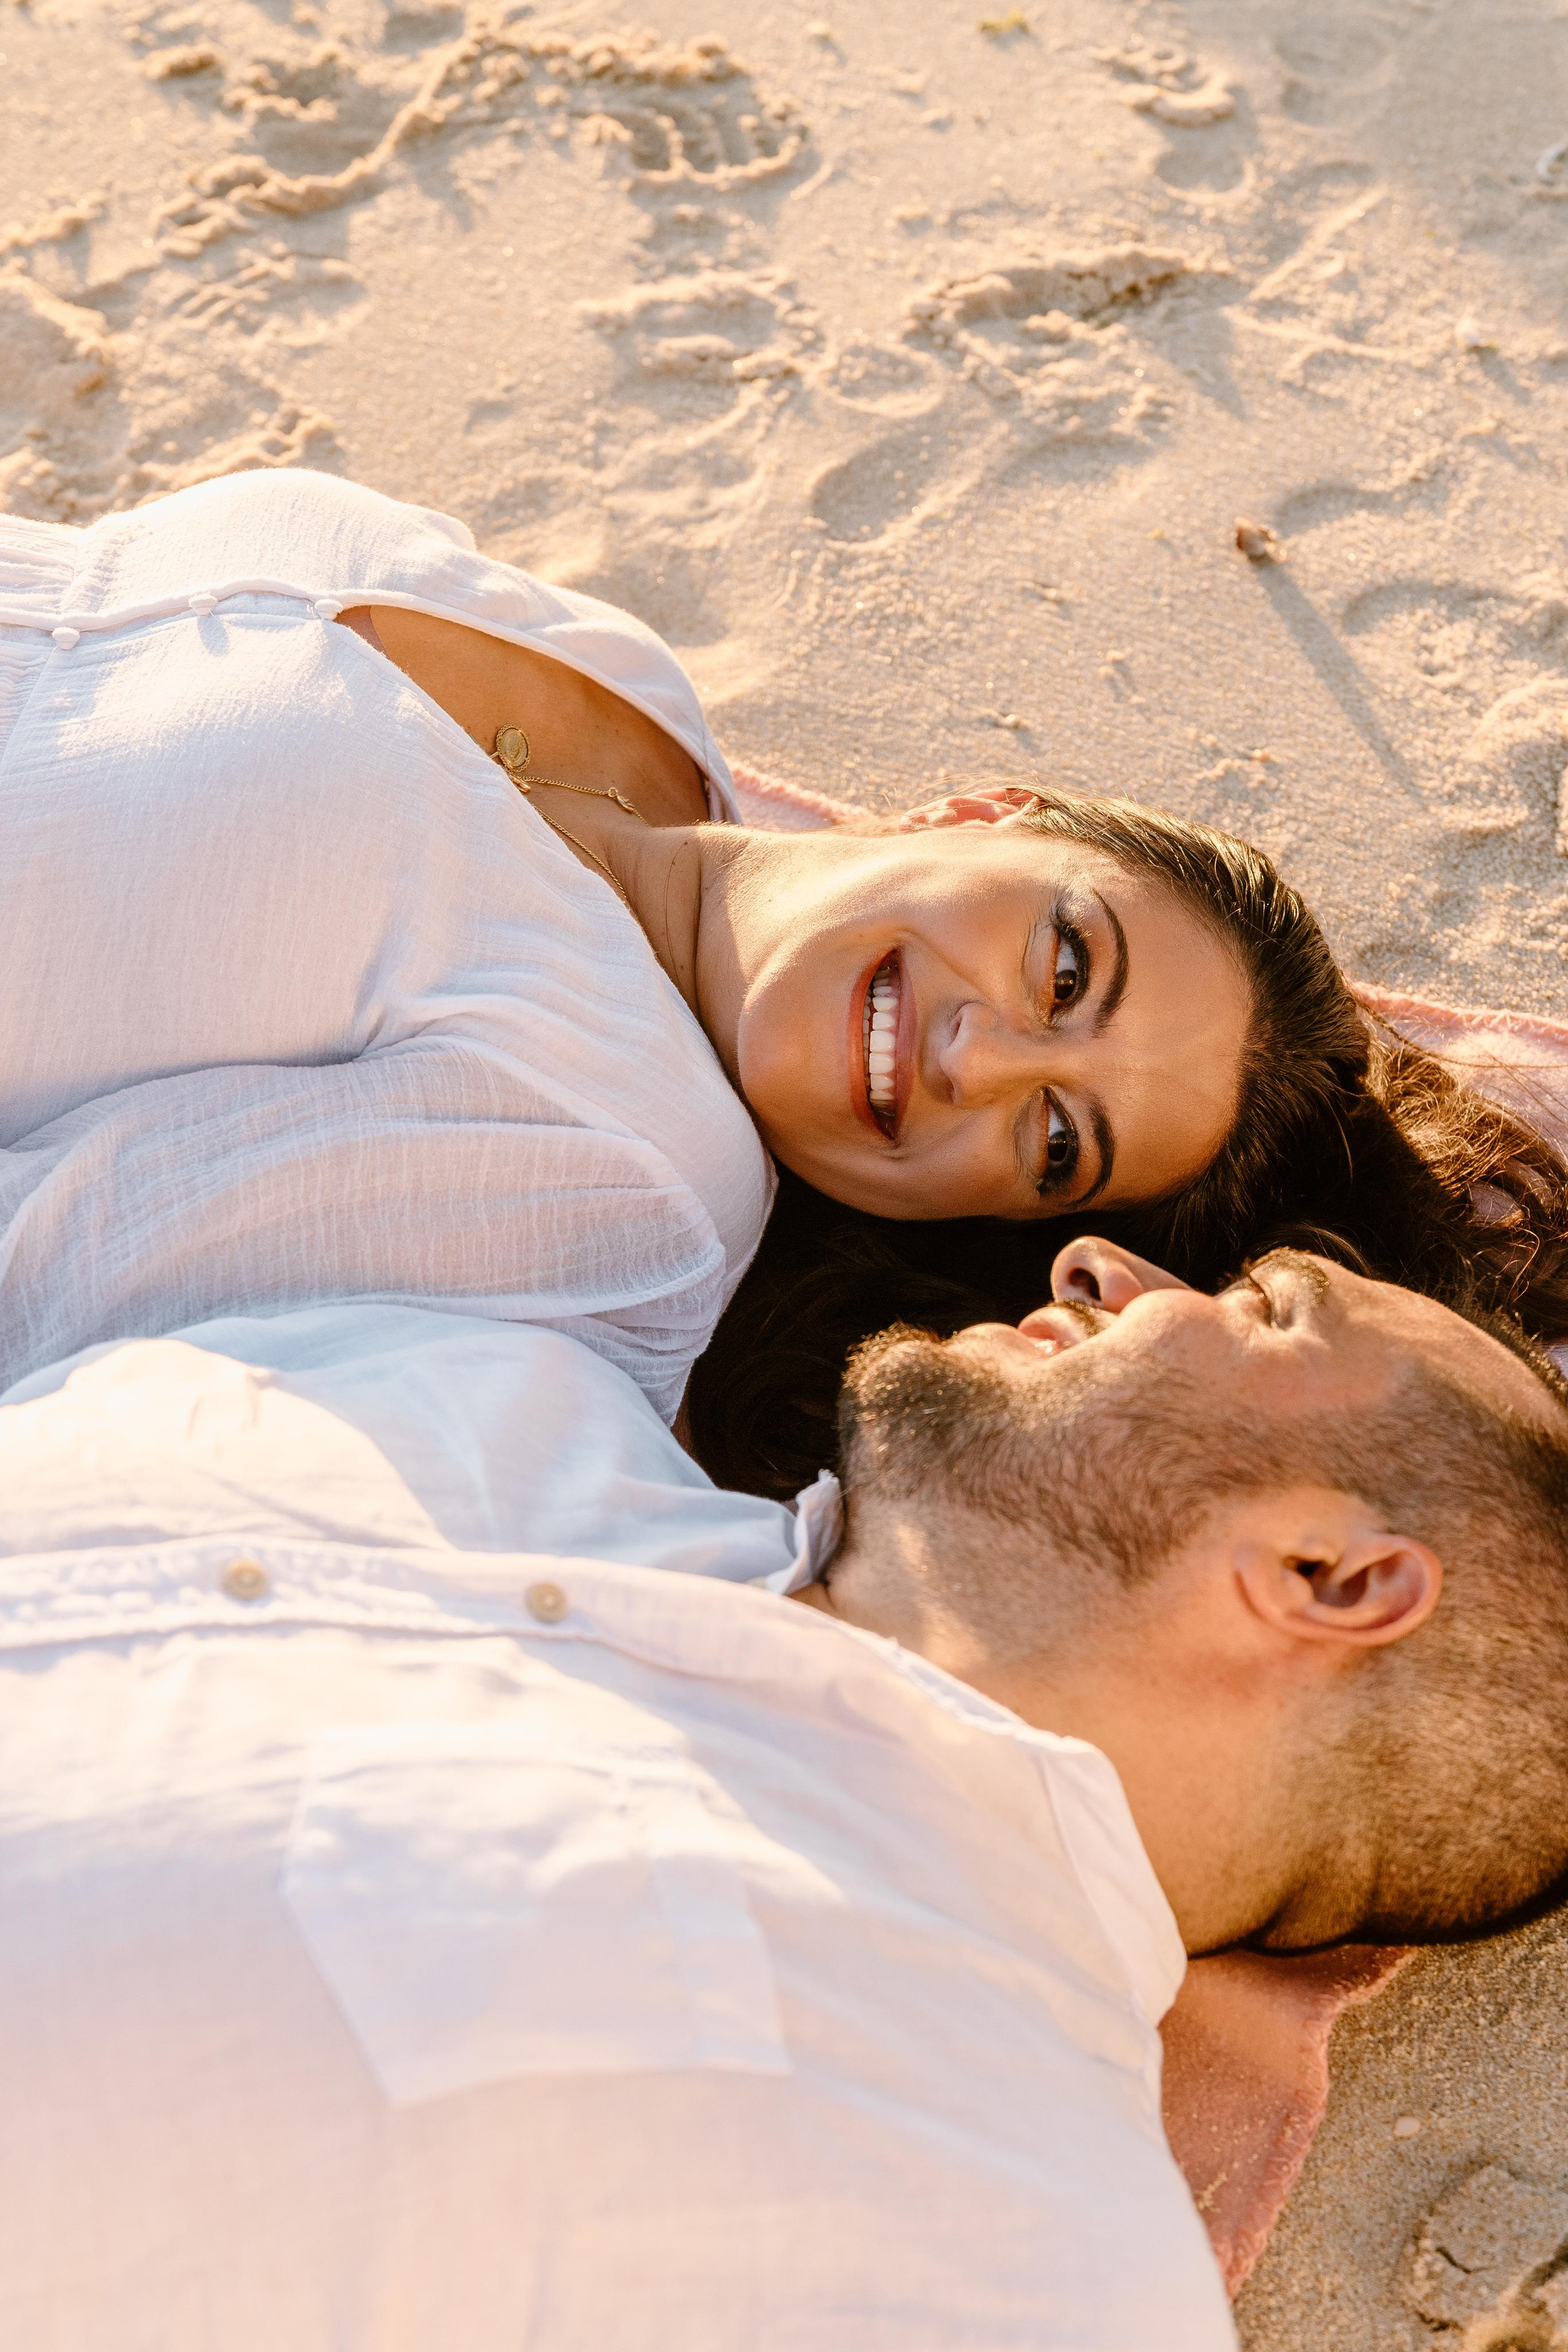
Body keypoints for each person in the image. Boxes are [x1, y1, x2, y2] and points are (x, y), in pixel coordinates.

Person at [5, 1242, 1568, 2347]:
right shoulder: (500, 1374)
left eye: (1252, 1307)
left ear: (1330, 1577)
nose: (1102, 1265)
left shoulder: (1012, 2248)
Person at [3, 468, 1564, 1430]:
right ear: (982, 812)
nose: (983, 1058)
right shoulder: (627, 684)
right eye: (1065, 971)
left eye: (1053, 1142)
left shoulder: (625, 1172)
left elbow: (49, 1271)